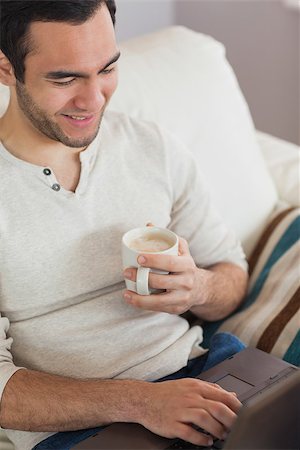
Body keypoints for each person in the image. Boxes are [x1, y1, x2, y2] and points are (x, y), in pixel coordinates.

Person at [0, 1, 249, 449]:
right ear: (5, 67)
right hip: (79, 427)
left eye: (107, 69)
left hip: (202, 372)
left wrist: (200, 289)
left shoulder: (152, 146)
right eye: (65, 78)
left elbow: (231, 272)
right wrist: (141, 402)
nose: (94, 99)